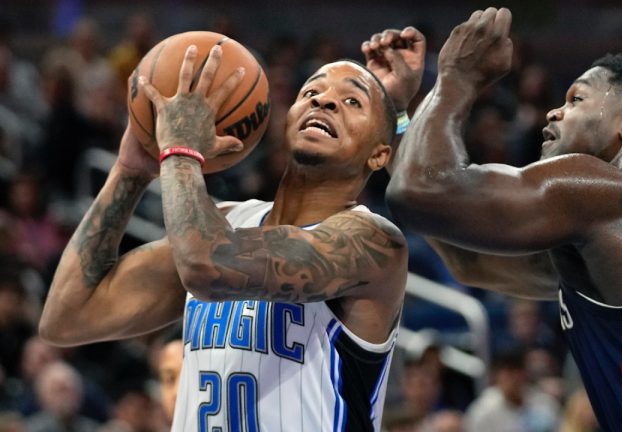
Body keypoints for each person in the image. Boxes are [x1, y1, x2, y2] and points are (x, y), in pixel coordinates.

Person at [385, 7, 622, 431]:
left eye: (577, 99)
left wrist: (457, 74)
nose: (554, 112)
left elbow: (422, 189)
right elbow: (470, 260)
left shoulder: (615, 196)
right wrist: (399, 114)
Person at [39, 27, 426, 431]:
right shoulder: (223, 222)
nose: (324, 100)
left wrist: (180, 150)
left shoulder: (373, 243)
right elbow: (66, 317)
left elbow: (207, 267)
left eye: (352, 101)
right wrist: (130, 172)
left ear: (381, 153)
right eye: (310, 92)